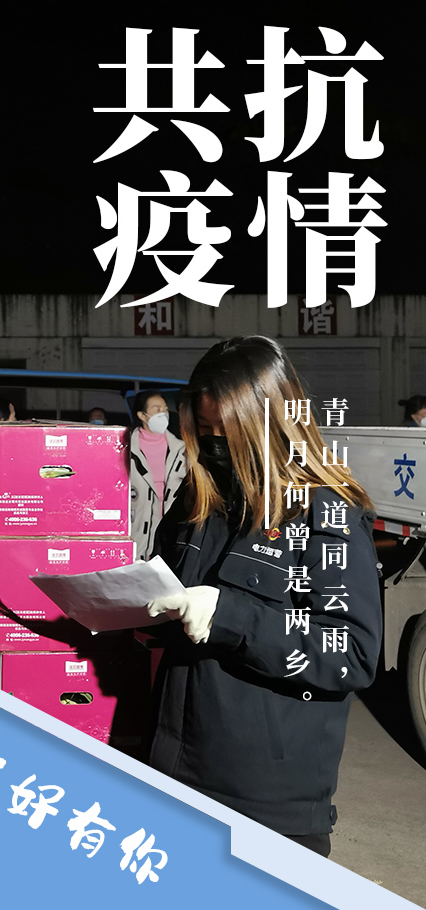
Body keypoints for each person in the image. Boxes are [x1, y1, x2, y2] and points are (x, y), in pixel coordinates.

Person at [143, 336, 382, 856]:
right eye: (203, 430)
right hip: (175, 772)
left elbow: (351, 653)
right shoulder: (199, 499)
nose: (213, 446)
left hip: (266, 807)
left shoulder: (324, 512)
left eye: (226, 432)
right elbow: (169, 586)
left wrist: (229, 616)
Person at [129, 390, 186, 561]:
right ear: (142, 415)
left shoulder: (181, 449)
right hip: (136, 527)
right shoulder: (127, 448)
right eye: (157, 408)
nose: (163, 413)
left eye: (165, 408)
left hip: (168, 527)